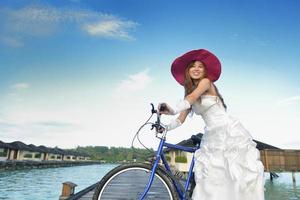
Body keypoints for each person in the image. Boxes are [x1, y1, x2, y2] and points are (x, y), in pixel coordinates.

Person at [158, 49, 265, 200]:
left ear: (204, 71)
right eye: (192, 66)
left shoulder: (206, 82)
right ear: (187, 71)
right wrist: (165, 127)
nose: (196, 69)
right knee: (211, 178)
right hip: (211, 136)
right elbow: (180, 120)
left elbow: (192, 97)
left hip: (227, 131)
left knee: (233, 175)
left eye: (200, 66)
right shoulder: (187, 95)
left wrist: (173, 108)